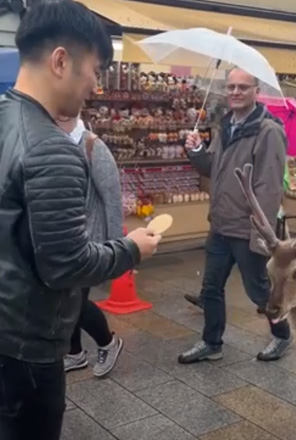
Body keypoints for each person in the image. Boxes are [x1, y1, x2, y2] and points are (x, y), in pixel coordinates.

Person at [0, 1, 160, 439]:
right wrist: (131, 249)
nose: (94, 86)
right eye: (93, 69)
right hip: (30, 345)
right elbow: (65, 265)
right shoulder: (52, 149)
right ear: (60, 61)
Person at [178, 67, 292, 364]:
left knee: (259, 291)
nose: (235, 92)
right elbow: (213, 169)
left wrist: (262, 236)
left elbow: (268, 188)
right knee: (211, 287)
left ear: (256, 90)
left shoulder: (268, 131)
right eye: (231, 87)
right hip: (220, 225)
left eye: (243, 87)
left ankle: (282, 335)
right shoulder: (225, 125)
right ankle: (211, 342)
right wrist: (197, 150)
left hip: (247, 229)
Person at [56, 116, 125, 377]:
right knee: (66, 296)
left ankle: (108, 342)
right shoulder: (52, 145)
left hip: (88, 240)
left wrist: (117, 249)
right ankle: (75, 353)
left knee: (73, 301)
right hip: (61, 237)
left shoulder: (92, 146)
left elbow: (112, 200)